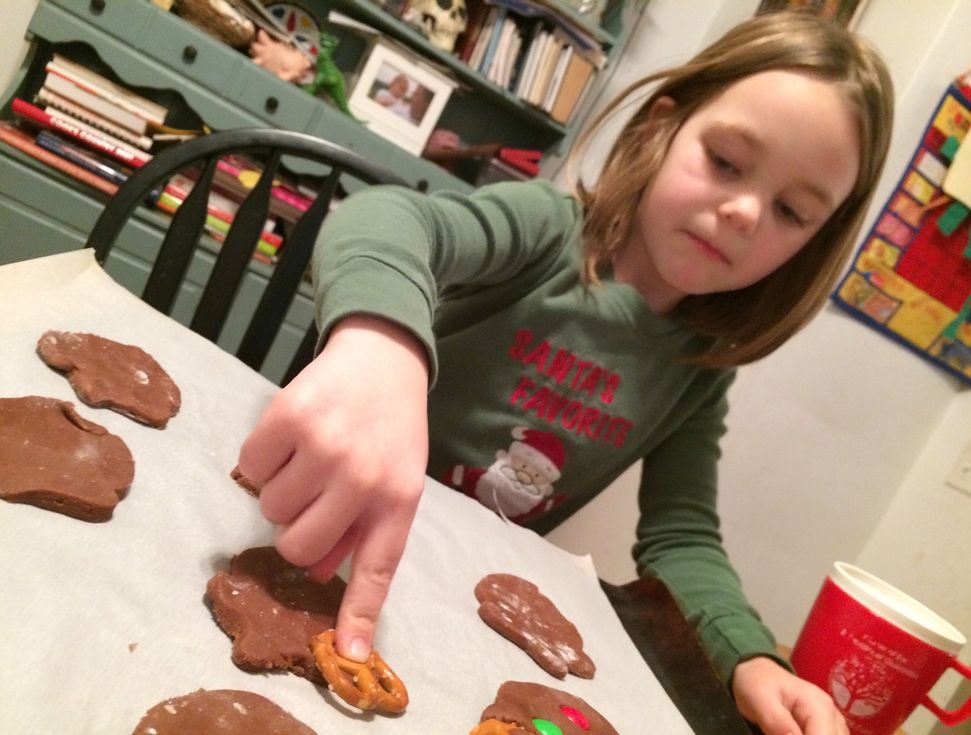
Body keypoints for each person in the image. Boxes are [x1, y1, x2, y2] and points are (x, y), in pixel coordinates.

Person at [238, 9, 893, 734]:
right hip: (313, 515)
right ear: (657, 129)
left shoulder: (698, 368)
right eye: (727, 162)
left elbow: (681, 535)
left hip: (440, 597)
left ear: (812, 244)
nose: (743, 211)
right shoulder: (548, 229)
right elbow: (392, 221)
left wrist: (750, 657)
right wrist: (383, 345)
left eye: (792, 210)